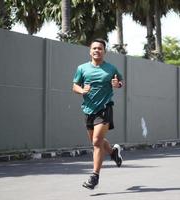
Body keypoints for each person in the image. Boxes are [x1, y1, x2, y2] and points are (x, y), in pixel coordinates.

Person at [72, 38, 124, 190]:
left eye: (100, 48)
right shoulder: (82, 68)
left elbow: (120, 81)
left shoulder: (111, 68)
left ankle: (94, 176)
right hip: (89, 110)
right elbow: (74, 85)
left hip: (105, 108)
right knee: (98, 142)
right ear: (90, 51)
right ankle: (113, 152)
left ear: (104, 52)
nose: (97, 50)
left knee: (96, 142)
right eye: (94, 48)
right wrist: (82, 90)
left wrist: (117, 84)